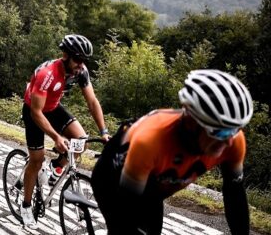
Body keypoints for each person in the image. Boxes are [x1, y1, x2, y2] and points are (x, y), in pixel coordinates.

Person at [91, 69, 253, 235]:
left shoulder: (234, 142)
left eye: (236, 129)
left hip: (153, 183)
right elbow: (127, 208)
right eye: (222, 132)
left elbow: (235, 199)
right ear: (191, 121)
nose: (230, 141)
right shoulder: (151, 141)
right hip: (111, 179)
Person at [18, 34, 110, 229]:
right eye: (78, 59)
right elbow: (36, 112)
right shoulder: (47, 73)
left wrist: (103, 131)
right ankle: (26, 206)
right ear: (66, 55)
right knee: (36, 160)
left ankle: (55, 168)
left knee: (81, 141)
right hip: (34, 111)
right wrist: (56, 137)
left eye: (84, 60)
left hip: (53, 108)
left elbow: (92, 101)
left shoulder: (81, 71)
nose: (81, 64)